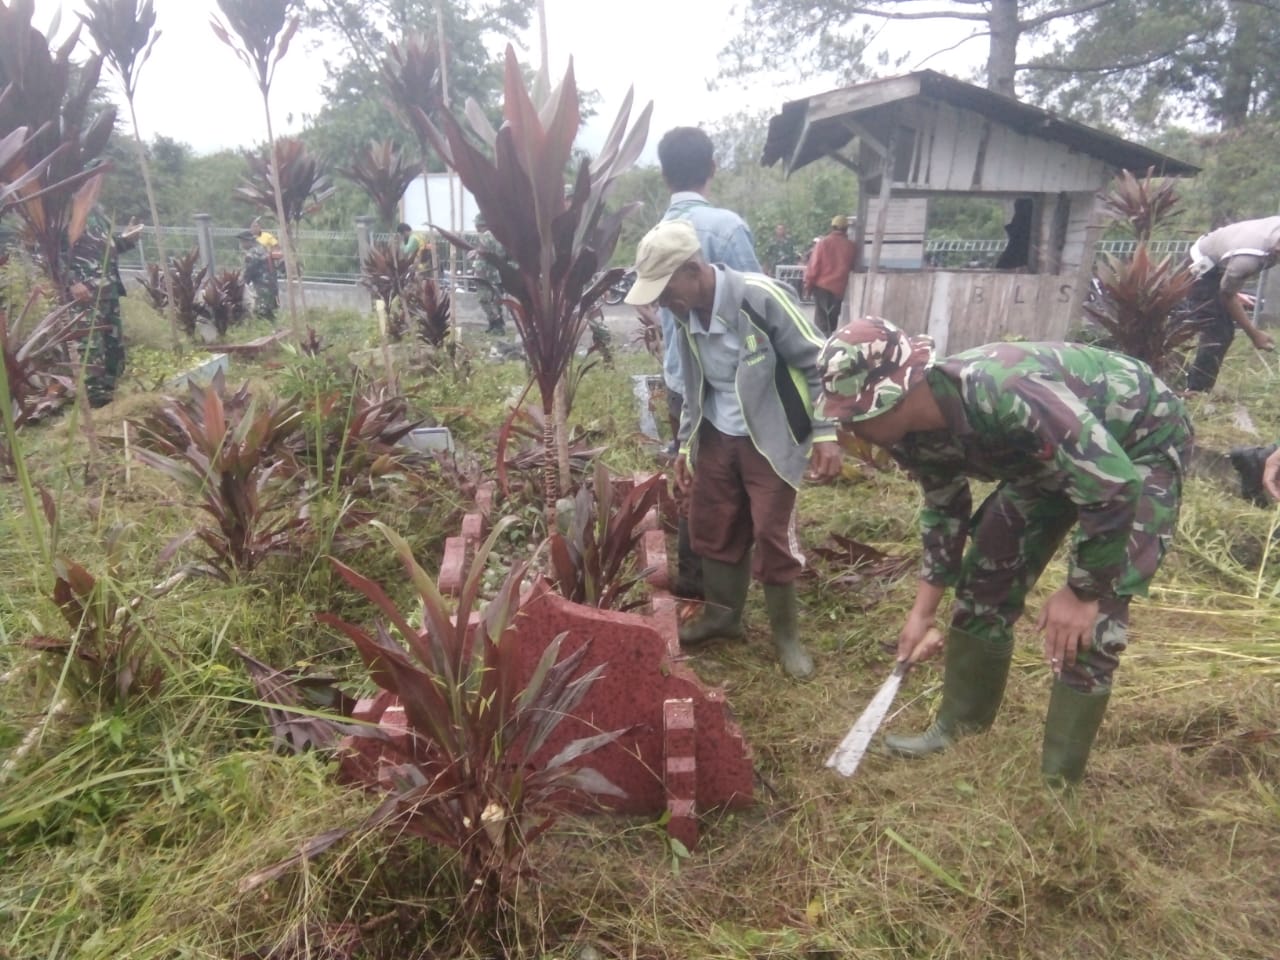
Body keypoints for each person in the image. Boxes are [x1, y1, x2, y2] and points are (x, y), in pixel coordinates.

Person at [816, 318, 1192, 783]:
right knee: (985, 578)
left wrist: (1081, 591)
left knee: (1094, 621)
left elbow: (1112, 486)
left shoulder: (1004, 392)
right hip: (1047, 462)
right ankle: (961, 727)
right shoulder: (905, 433)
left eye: (859, 411)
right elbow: (944, 507)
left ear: (904, 387)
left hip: (1137, 445)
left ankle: (1058, 784)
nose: (850, 424)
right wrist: (921, 614)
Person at [625, 219, 843, 679]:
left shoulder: (758, 297)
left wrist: (825, 431)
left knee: (771, 531)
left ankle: (787, 637)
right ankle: (724, 617)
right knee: (714, 520)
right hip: (717, 434)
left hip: (771, 433)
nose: (663, 302)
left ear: (693, 268)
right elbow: (691, 383)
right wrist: (685, 447)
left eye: (665, 289)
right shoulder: (684, 315)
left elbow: (821, 361)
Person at [655, 125, 763, 599]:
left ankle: (695, 583)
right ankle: (728, 584)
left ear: (663, 176)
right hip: (735, 382)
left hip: (682, 378)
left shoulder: (657, 234)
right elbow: (759, 303)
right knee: (732, 476)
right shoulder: (727, 228)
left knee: (691, 474)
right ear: (713, 168)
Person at [1183, 215, 1278, 393]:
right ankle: (1196, 391)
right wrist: (1254, 334)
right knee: (1219, 331)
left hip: (1222, 260)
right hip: (1200, 268)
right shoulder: (1247, 260)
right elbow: (1226, 296)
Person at [66, 209, 141, 408]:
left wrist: (127, 239)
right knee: (89, 344)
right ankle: (94, 397)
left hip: (109, 289)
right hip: (85, 293)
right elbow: (47, 251)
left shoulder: (96, 212)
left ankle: (111, 391)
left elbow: (105, 249)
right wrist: (72, 281)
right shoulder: (64, 210)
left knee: (113, 343)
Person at [803, 215, 858, 335]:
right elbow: (853, 266)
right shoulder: (851, 246)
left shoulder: (823, 243)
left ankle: (821, 347)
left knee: (821, 321)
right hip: (838, 290)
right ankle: (828, 344)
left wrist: (808, 287)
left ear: (832, 227)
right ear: (846, 229)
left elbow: (814, 266)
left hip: (821, 288)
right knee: (832, 321)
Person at [470, 215, 507, 334]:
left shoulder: (487, 235)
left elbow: (483, 252)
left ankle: (496, 324)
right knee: (494, 299)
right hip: (493, 274)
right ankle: (496, 324)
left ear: (480, 224)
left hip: (485, 274)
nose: (475, 227)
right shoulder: (495, 235)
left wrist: (475, 253)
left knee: (485, 299)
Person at [238, 229, 278, 323]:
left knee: (261, 312)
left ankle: (266, 331)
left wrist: (240, 283)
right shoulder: (262, 248)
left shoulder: (252, 253)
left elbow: (248, 272)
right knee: (268, 311)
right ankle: (273, 328)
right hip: (271, 284)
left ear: (248, 241)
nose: (241, 245)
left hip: (262, 285)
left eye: (242, 242)